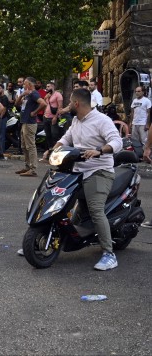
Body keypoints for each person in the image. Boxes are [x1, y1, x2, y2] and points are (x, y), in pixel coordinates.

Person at [55, 88, 123, 270]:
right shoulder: (76, 121)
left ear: (76, 103)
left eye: (70, 102)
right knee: (60, 203)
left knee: (95, 210)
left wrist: (99, 151)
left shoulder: (102, 120)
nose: (68, 105)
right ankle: (49, 239)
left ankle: (109, 254)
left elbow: (117, 142)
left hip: (99, 171)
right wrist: (54, 149)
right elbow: (66, 138)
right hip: (77, 171)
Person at [14, 77, 47, 176]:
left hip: (30, 123)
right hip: (24, 122)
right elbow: (17, 104)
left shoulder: (34, 93)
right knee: (24, 146)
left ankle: (33, 169)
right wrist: (22, 95)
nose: (23, 85)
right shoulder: (27, 95)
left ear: (29, 84)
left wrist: (34, 112)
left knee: (30, 146)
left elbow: (43, 103)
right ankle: (27, 166)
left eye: (25, 83)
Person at [41, 82, 64, 161]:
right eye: (46, 86)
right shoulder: (47, 95)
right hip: (46, 117)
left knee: (54, 135)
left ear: (53, 86)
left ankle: (55, 152)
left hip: (53, 118)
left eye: (48, 86)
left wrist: (55, 117)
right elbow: (45, 105)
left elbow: (60, 107)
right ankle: (49, 151)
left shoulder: (58, 95)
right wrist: (45, 98)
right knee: (48, 135)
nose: (47, 88)